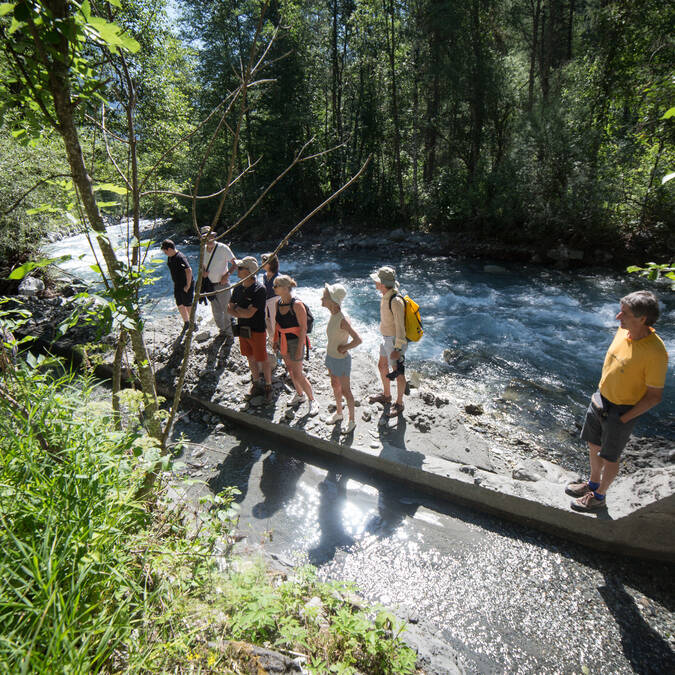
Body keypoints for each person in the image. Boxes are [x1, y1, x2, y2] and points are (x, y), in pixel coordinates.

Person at [566, 290, 668, 512]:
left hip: (622, 410)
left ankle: (599, 496)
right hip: (600, 399)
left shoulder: (656, 352)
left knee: (610, 456)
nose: (617, 317)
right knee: (593, 445)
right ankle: (592, 484)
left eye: (624, 313)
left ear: (642, 319)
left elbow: (654, 397)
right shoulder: (624, 332)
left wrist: (624, 418)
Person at [267, 274, 318, 416]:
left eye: (276, 286)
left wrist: (300, 349)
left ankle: (312, 400)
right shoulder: (278, 303)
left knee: (298, 373)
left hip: (296, 341)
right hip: (283, 340)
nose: (274, 288)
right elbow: (278, 323)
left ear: (284, 288)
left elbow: (303, 328)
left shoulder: (297, 304)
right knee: (290, 370)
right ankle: (300, 395)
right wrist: (275, 341)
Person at [227, 256, 272, 400]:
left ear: (249, 271)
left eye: (240, 268)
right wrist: (240, 311)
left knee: (262, 358)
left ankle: (268, 386)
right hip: (242, 329)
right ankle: (256, 382)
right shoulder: (238, 287)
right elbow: (229, 309)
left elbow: (249, 313)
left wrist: (238, 310)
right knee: (250, 357)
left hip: (257, 330)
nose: (237, 270)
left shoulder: (259, 289)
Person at [321, 282, 362, 434]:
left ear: (332, 300)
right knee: (334, 384)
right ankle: (339, 413)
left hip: (341, 360)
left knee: (346, 391)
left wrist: (344, 348)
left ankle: (351, 421)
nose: (321, 299)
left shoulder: (342, 320)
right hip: (331, 357)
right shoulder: (333, 315)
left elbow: (358, 340)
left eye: (324, 297)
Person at [368, 266, 407, 417]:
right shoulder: (385, 295)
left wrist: (397, 349)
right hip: (386, 338)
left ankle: (399, 403)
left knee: (398, 373)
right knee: (382, 365)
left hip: (395, 341)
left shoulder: (395, 301)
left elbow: (400, 327)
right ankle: (387, 396)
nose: (375, 283)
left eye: (377, 281)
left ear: (382, 284)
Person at [201, 226, 236, 339]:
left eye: (210, 236)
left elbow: (235, 263)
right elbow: (202, 267)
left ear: (214, 236)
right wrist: (203, 274)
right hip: (210, 286)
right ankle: (222, 331)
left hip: (223, 285)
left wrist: (227, 275)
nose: (209, 239)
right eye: (206, 237)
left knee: (227, 310)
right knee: (216, 311)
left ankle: (230, 334)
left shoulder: (223, 248)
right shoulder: (203, 250)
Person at [160, 239, 194, 327]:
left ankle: (193, 323)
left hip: (186, 283)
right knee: (180, 304)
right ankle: (186, 323)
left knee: (188, 304)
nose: (165, 254)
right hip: (177, 284)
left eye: (165, 252)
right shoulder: (170, 258)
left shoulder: (180, 257)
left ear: (170, 249)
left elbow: (189, 270)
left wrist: (188, 285)